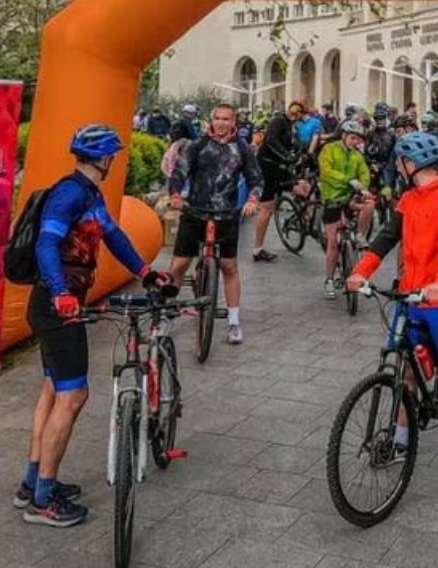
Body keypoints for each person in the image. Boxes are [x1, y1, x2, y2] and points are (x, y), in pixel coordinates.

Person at [19, 124, 171, 526]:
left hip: (53, 304)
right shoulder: (71, 194)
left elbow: (114, 235)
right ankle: (43, 501)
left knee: (53, 389)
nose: (113, 161)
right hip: (57, 306)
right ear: (104, 158)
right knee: (73, 395)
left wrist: (145, 271)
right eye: (112, 156)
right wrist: (60, 292)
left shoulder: (90, 194)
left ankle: (32, 483)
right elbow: (46, 243)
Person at [344, 130, 438, 496]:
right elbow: (386, 237)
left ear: (412, 162)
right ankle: (401, 442)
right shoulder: (408, 198)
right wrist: (361, 271)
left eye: (401, 161)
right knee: (404, 372)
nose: (398, 167)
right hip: (410, 295)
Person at [166, 103, 263, 344]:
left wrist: (252, 199)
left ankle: (233, 322)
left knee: (229, 267)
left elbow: (256, 179)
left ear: (234, 122)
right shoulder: (197, 146)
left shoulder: (242, 148)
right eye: (217, 118)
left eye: (226, 119)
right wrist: (175, 196)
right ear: (211, 120)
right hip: (195, 212)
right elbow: (179, 173)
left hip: (227, 215)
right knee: (178, 265)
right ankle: (165, 312)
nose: (221, 123)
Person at [318, 117, 375, 298]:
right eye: (352, 138)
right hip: (332, 200)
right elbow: (326, 173)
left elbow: (364, 174)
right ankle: (329, 279)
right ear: (343, 135)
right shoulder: (329, 149)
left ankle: (360, 235)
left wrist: (363, 188)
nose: (355, 142)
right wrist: (348, 180)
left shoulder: (357, 156)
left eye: (358, 139)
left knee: (370, 204)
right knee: (333, 244)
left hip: (349, 199)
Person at [250, 100, 306, 261]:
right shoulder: (278, 121)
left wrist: (301, 155)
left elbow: (297, 146)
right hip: (267, 167)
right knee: (267, 208)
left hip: (282, 167)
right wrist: (286, 155)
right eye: (294, 110)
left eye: (300, 112)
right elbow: (271, 140)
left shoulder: (293, 127)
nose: (296, 113)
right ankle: (257, 249)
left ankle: (301, 221)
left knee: (304, 188)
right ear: (289, 109)